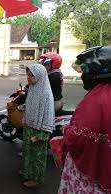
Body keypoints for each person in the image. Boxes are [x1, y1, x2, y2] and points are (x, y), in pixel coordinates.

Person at [59, 46, 111, 193]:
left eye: (84, 71)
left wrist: (67, 131)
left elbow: (78, 138)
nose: (82, 75)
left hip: (90, 179)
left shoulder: (97, 99)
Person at [22, 64, 55, 188]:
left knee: (38, 156)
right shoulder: (33, 88)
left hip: (39, 130)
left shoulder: (46, 94)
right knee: (28, 153)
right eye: (28, 75)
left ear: (40, 77)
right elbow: (31, 105)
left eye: (32, 75)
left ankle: (36, 179)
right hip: (29, 127)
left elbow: (48, 114)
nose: (28, 78)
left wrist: (43, 134)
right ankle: (28, 173)